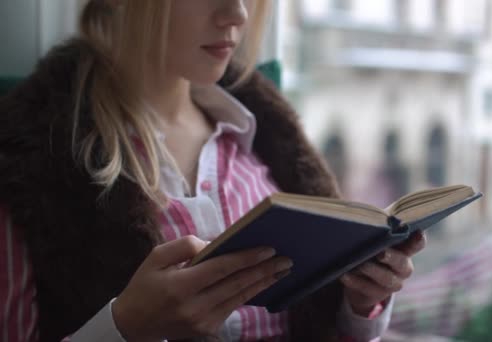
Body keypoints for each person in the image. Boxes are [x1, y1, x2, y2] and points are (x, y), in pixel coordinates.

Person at [0, 0, 426, 341]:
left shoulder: (262, 141)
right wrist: (126, 327)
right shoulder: (31, 162)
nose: (237, 14)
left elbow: (324, 325)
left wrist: (361, 300)